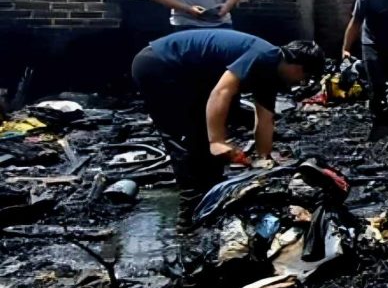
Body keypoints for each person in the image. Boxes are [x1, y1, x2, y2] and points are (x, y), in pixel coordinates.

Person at [131, 29, 325, 228]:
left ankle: (212, 196)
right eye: (305, 77)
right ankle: (188, 219)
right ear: (298, 66)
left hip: (189, 75)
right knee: (186, 140)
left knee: (205, 134)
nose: (300, 83)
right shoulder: (263, 56)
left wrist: (263, 158)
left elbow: (265, 119)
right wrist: (217, 141)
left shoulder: (271, 74)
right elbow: (222, 92)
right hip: (160, 65)